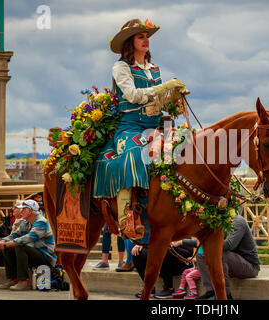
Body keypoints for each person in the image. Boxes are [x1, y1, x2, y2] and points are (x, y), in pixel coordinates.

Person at [92, 18, 189, 234]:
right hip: (130, 127)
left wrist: (173, 99)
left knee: (187, 149)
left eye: (147, 37)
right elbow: (134, 96)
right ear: (130, 41)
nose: (146, 40)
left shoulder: (154, 69)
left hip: (156, 125)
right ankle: (128, 216)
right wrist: (164, 87)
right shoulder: (121, 67)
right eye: (141, 36)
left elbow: (158, 102)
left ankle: (178, 210)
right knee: (134, 157)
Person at [0, 199, 57, 291]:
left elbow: (27, 238)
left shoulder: (41, 222)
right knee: (9, 247)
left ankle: (24, 281)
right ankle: (14, 279)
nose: (21, 211)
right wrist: (0, 242)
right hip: (34, 254)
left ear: (30, 211)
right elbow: (14, 236)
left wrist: (6, 244)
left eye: (23, 209)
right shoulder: (26, 222)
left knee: (19, 245)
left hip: (46, 257)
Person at [196, 209, 260, 300]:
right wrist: (181, 242)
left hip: (250, 267)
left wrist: (208, 242)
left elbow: (230, 245)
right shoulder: (220, 221)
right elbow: (204, 242)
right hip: (233, 264)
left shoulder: (238, 221)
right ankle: (210, 291)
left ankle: (226, 295)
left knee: (221, 254)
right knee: (201, 253)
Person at [132, 235, 197, 299]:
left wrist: (172, 246)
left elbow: (189, 253)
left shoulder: (182, 230)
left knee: (164, 249)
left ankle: (169, 288)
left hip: (181, 264)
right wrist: (142, 245)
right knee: (138, 253)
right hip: (162, 264)